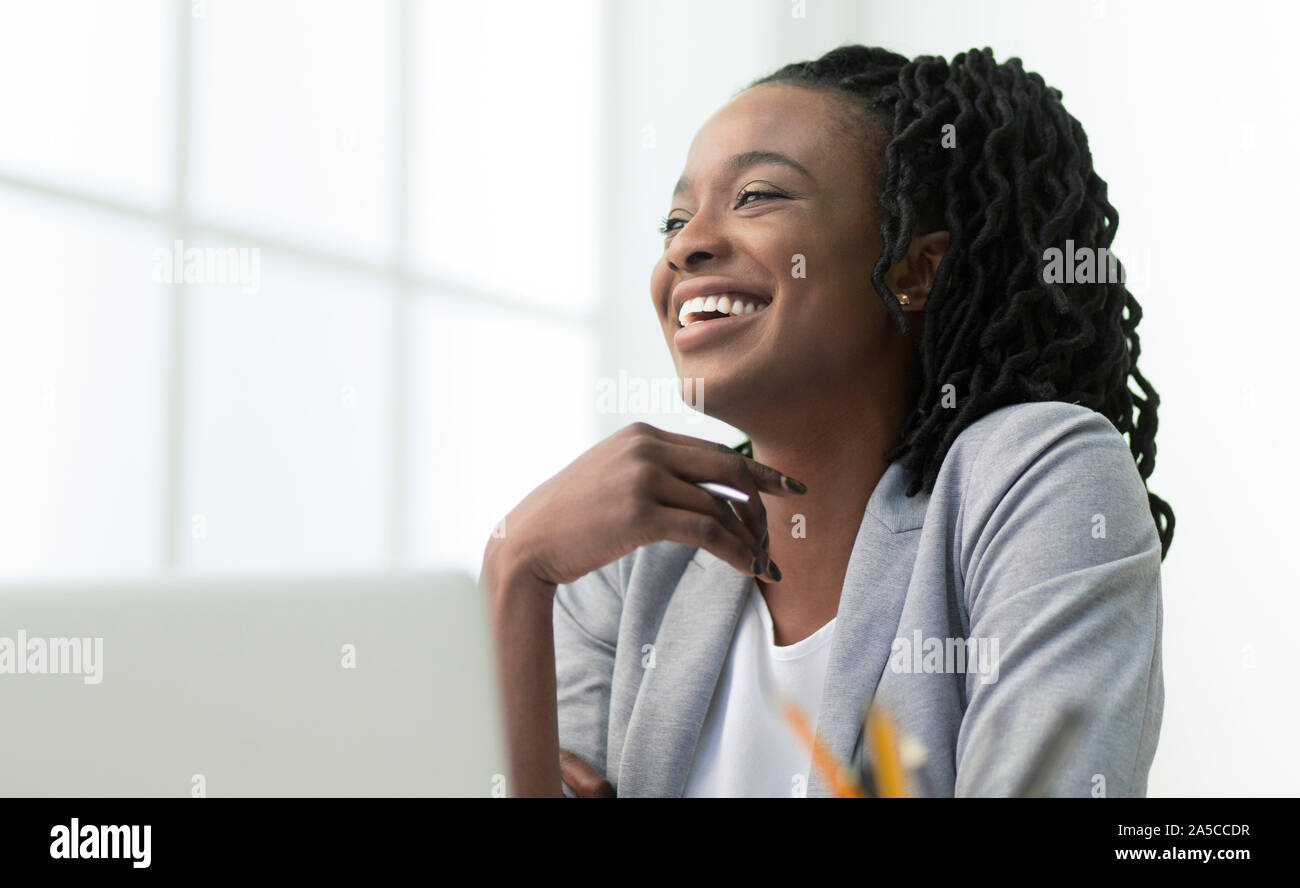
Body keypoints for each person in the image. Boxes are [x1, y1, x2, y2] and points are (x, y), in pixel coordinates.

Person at [480, 45, 1173, 798]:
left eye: (756, 196)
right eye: (675, 218)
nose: (687, 245)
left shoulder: (1039, 477)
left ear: (915, 269)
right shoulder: (634, 563)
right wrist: (517, 570)